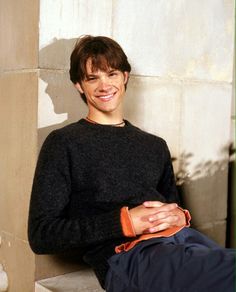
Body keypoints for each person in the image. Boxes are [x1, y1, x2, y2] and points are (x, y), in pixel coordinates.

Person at [28, 35, 235, 291]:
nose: (104, 86)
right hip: (129, 257)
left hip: (186, 243)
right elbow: (41, 235)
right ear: (79, 86)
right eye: (93, 78)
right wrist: (124, 222)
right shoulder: (64, 143)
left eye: (111, 74)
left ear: (125, 76)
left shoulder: (154, 145)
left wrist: (179, 216)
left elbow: (173, 207)